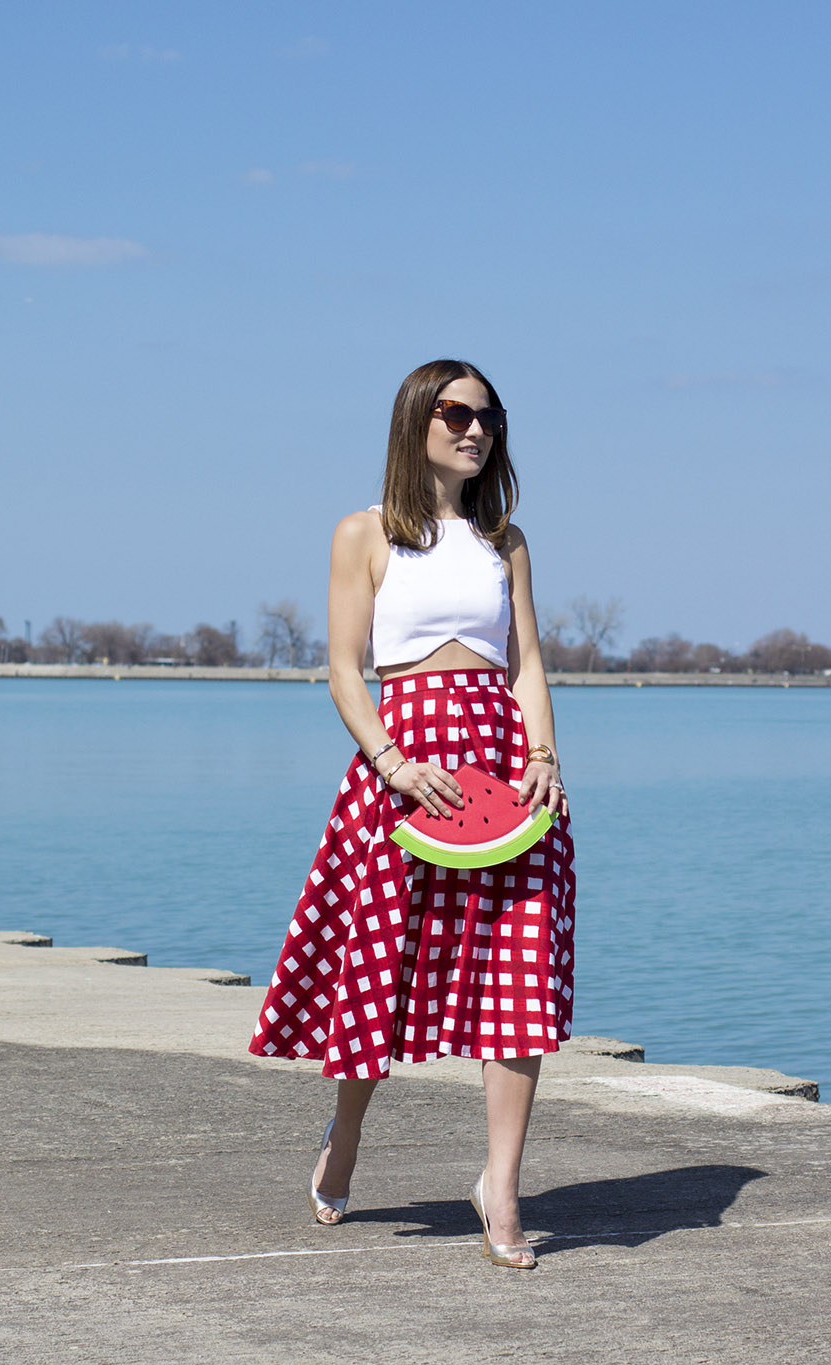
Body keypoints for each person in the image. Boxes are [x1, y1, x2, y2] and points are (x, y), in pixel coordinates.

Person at [249, 359, 574, 1269]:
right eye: (456, 412)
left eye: (489, 417)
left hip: (506, 775)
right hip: (400, 775)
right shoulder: (363, 535)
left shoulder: (506, 542)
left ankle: (499, 1187)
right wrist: (392, 762)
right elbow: (347, 670)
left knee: (522, 976)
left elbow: (527, 665)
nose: (476, 429)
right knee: (375, 970)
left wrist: (544, 758)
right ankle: (345, 1131)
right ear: (415, 421)